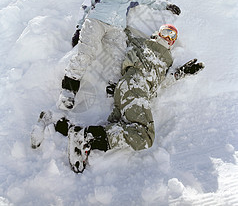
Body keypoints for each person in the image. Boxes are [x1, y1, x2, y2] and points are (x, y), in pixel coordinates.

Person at [31, 24, 204, 173]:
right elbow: (120, 30)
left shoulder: (166, 61)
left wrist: (179, 74)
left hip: (128, 91)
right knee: (144, 136)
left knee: (113, 129)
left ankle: (62, 126)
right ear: (158, 33)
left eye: (172, 35)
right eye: (166, 31)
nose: (168, 36)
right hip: (135, 86)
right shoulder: (143, 43)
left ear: (173, 42)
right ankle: (85, 135)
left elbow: (158, 84)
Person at [58, 0, 181, 111]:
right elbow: (86, 6)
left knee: (119, 59)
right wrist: (78, 28)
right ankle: (68, 92)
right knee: (85, 54)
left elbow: (148, 1)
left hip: (116, 29)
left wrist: (166, 5)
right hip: (96, 21)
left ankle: (113, 92)